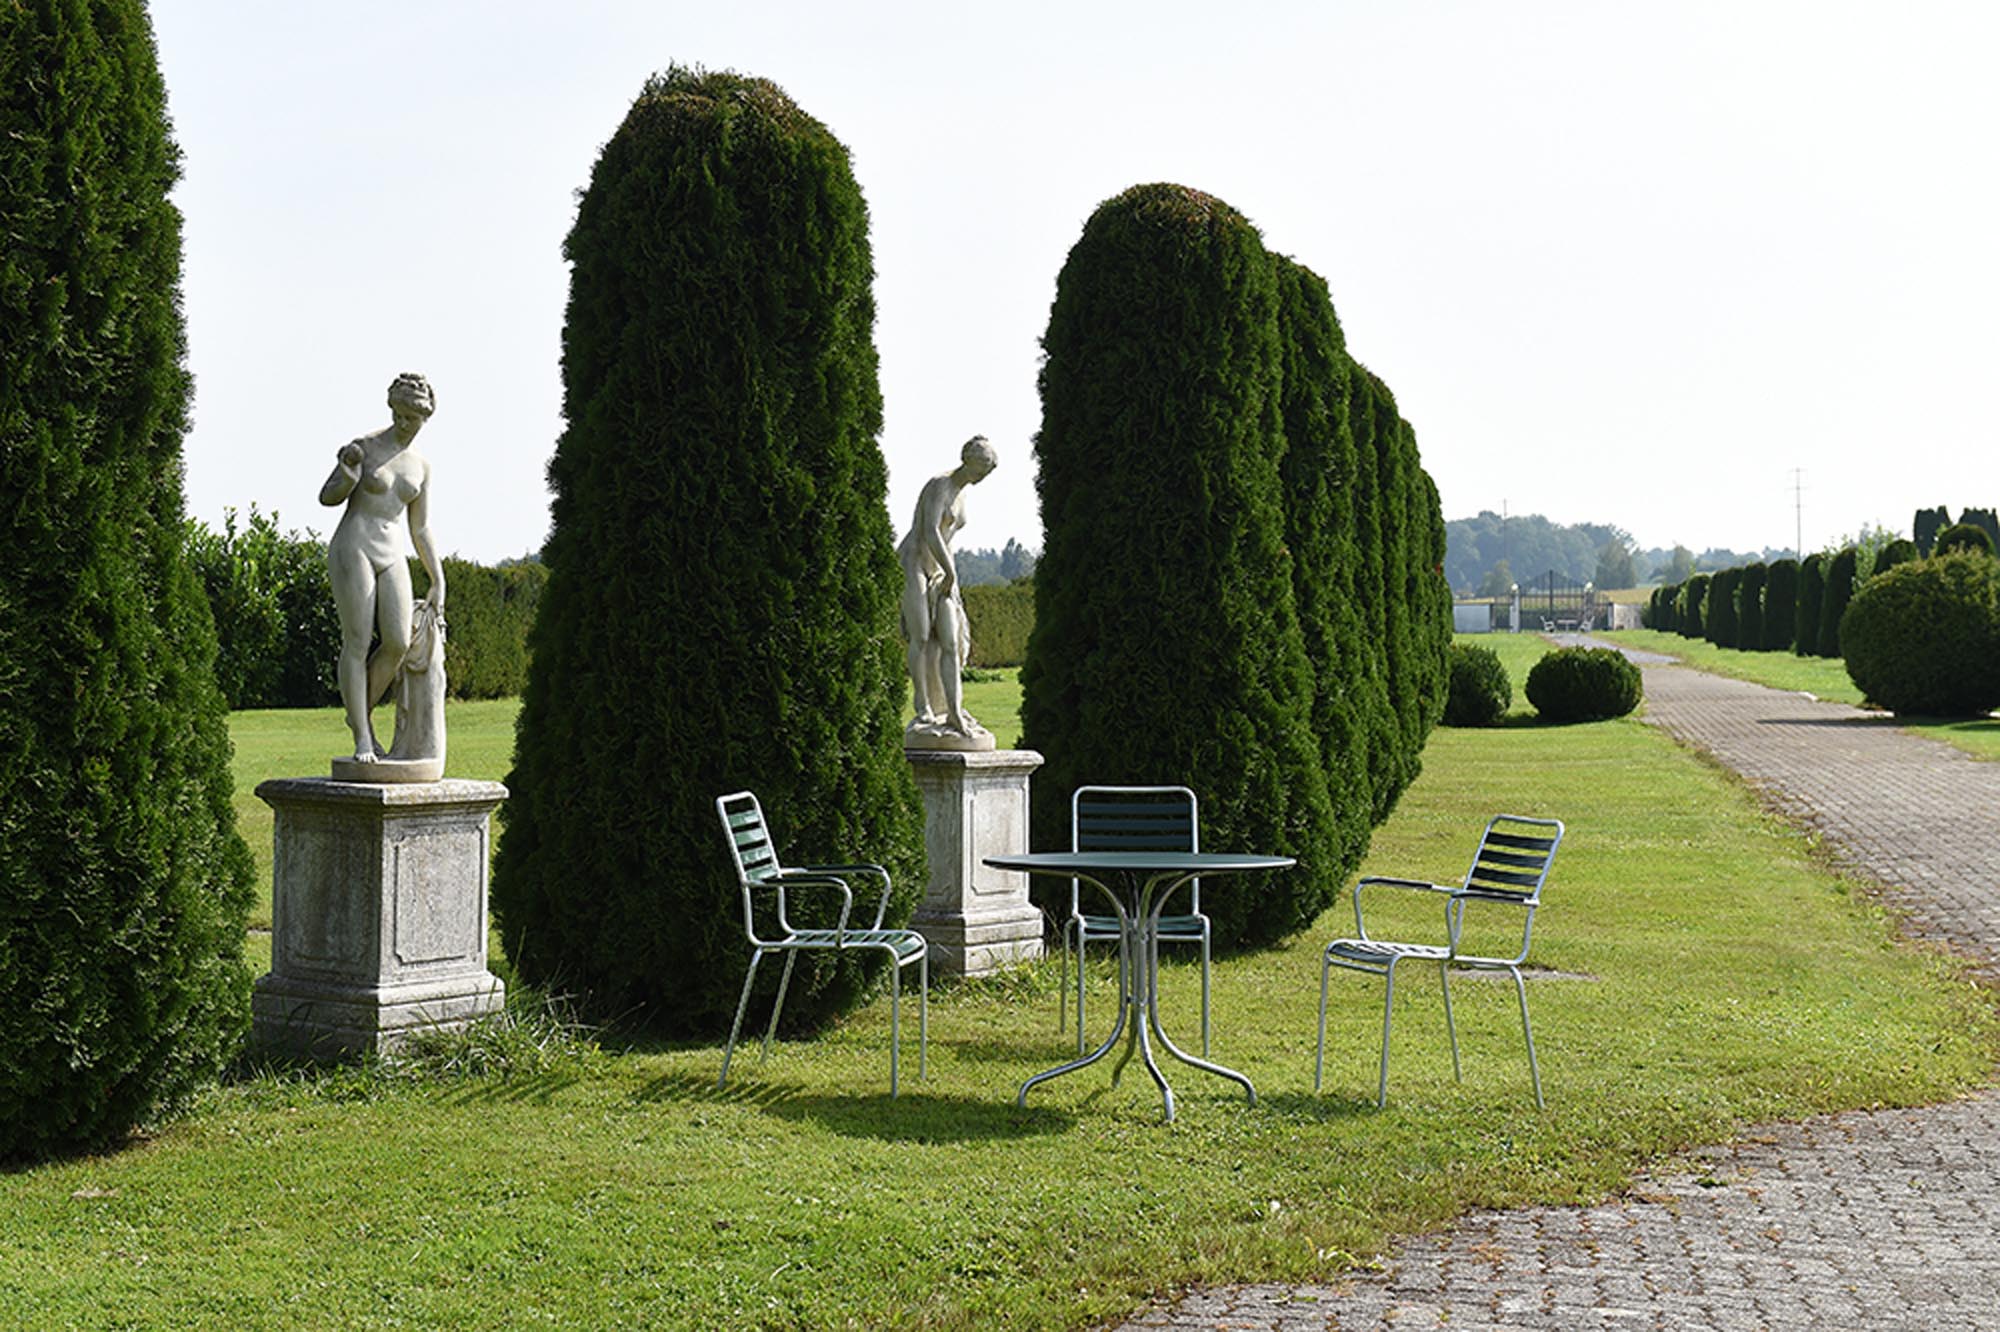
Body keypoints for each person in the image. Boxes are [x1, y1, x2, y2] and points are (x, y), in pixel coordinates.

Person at [320, 372, 445, 766]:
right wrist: (349, 475)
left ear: (425, 418)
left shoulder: (421, 467)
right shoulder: (365, 447)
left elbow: (420, 528)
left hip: (392, 553)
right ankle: (362, 735)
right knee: (356, 641)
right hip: (353, 546)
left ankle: (358, 709)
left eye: (415, 418)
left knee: (396, 643)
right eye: (402, 415)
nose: (407, 424)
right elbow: (327, 497)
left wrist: (438, 579)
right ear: (392, 409)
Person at [897, 435, 998, 747]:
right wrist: (951, 572)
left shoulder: (962, 495)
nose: (983, 475)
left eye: (987, 470)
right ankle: (924, 708)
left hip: (941, 570)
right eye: (981, 467)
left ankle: (952, 710)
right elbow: (929, 531)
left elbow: (947, 538)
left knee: (951, 641)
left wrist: (950, 578)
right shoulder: (939, 485)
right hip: (914, 562)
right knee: (923, 636)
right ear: (967, 459)